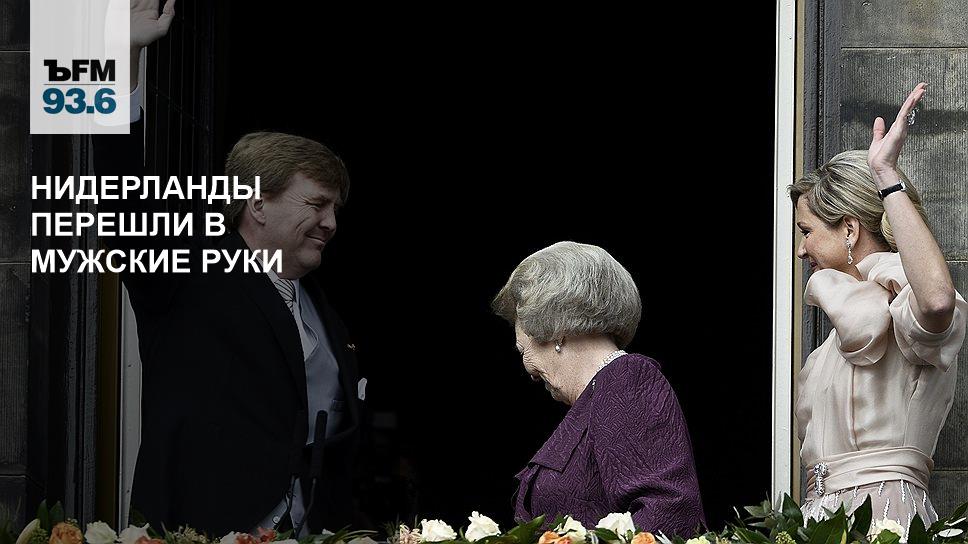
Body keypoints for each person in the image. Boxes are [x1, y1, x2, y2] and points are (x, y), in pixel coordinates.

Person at [91, 0, 365, 534]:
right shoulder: (187, 274)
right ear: (257, 203)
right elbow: (120, 194)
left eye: (336, 209)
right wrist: (120, 59)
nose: (331, 223)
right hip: (198, 531)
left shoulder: (323, 311)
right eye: (316, 204)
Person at [791, 83, 966, 529]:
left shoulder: (902, 300)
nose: (801, 250)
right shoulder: (826, 350)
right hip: (820, 524)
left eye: (807, 232)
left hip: (887, 518)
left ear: (849, 230)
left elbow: (937, 301)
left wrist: (886, 174)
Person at [491, 242, 705, 536]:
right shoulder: (600, 395)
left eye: (522, 350)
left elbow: (669, 512)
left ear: (555, 329)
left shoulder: (627, 380)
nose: (529, 371)